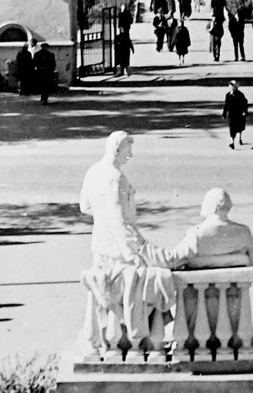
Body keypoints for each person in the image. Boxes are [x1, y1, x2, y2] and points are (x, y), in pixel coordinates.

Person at [78, 131, 181, 356]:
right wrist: (131, 252)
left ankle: (109, 341)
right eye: (128, 150)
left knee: (106, 294)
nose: (131, 155)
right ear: (117, 149)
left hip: (99, 244)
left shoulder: (93, 171)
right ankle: (132, 341)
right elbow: (119, 220)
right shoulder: (116, 178)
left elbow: (84, 206)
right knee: (132, 293)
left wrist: (101, 216)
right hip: (118, 246)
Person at [222, 80, 250, 149]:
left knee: (239, 127)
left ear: (236, 87)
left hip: (239, 114)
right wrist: (224, 114)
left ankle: (239, 138)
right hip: (231, 114)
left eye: (232, 86)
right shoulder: (228, 95)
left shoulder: (240, 94)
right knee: (232, 128)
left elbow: (244, 103)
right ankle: (232, 142)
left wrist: (244, 111)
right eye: (230, 85)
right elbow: (226, 105)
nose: (231, 87)